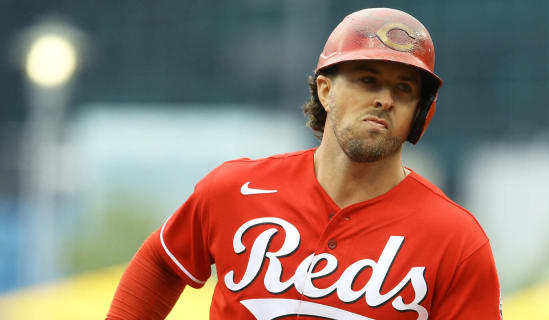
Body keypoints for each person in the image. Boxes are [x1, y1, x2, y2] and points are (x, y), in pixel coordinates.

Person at [107, 7, 501, 320]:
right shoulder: (236, 189)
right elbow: (161, 263)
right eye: (368, 79)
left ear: (420, 113)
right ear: (325, 91)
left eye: (404, 88)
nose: (385, 98)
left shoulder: (456, 240)